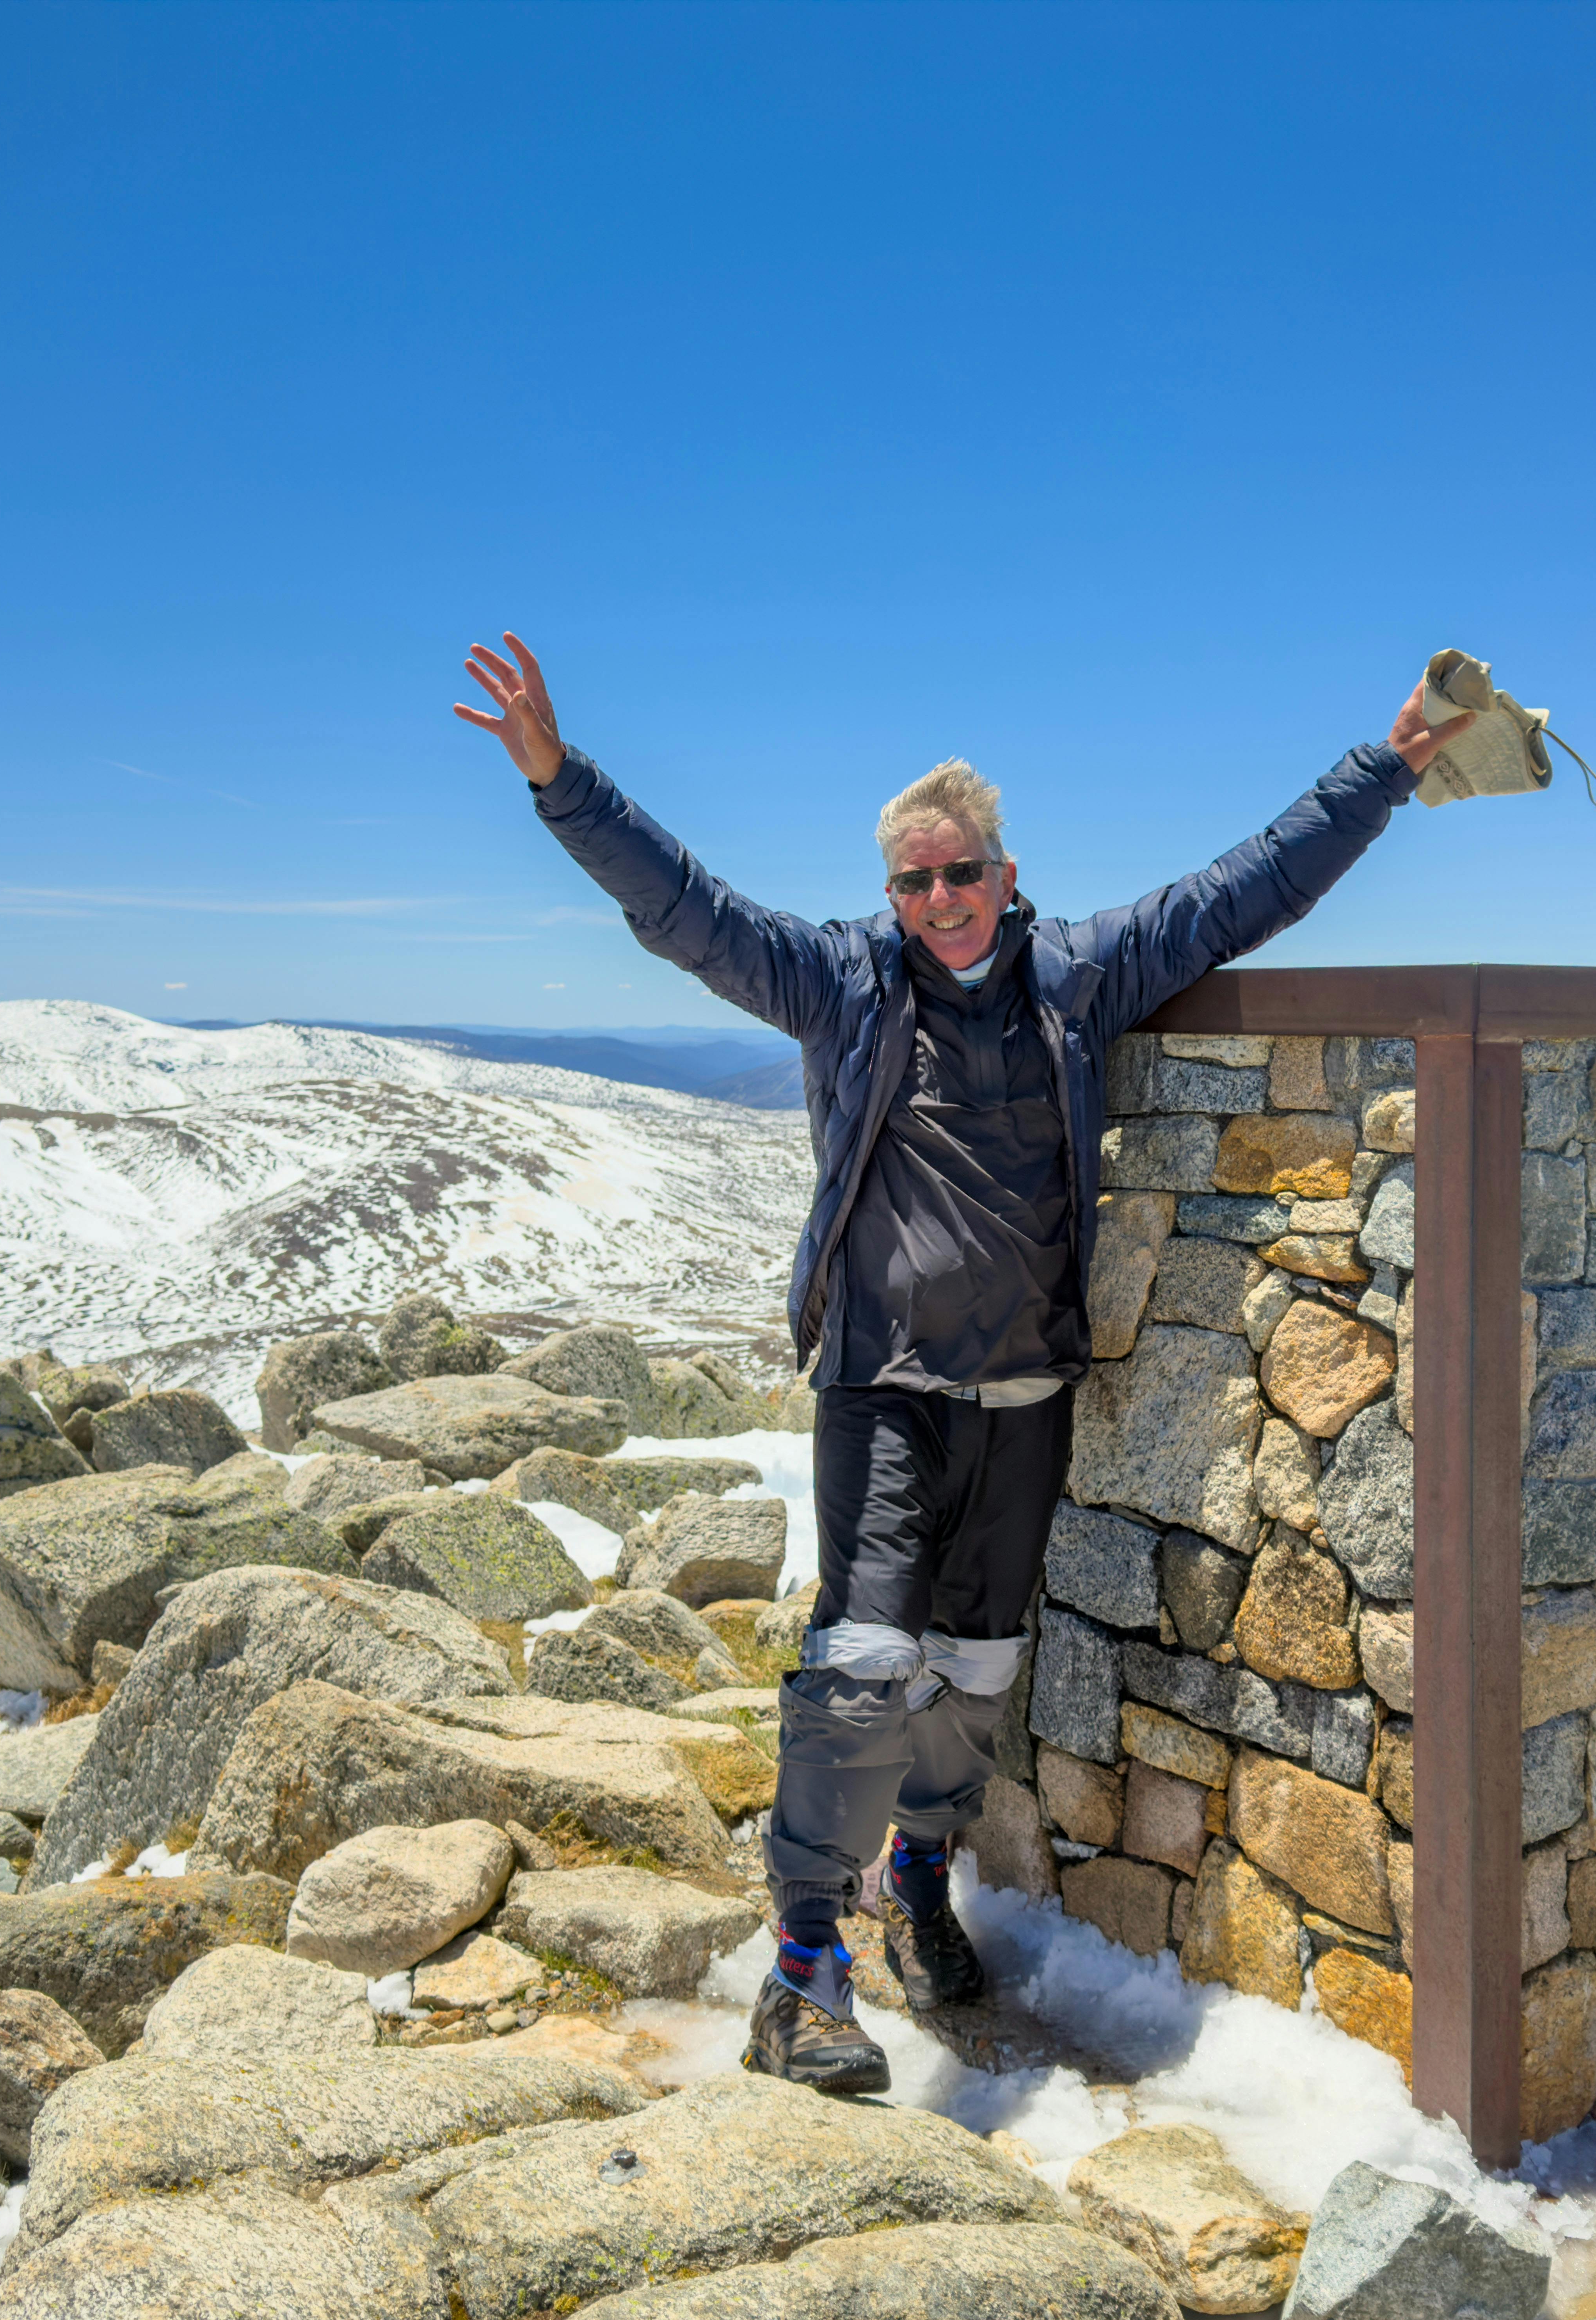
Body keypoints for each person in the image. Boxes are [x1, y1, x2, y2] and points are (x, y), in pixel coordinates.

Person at [453, 633, 1480, 2095]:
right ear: (892, 896)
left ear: (1006, 871)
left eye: (962, 873)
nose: (940, 901)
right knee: (865, 1665)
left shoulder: (1082, 973)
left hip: (1026, 1399)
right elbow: (685, 909)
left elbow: (1249, 887)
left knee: (974, 1675)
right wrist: (562, 780)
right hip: (884, 1389)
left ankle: (916, 1884)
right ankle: (802, 1972)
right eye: (914, 882)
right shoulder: (840, 985)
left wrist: (1383, 767)